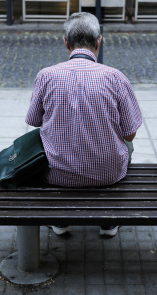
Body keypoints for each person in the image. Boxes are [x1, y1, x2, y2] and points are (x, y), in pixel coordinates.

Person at [25, 12, 142, 237]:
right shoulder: (115, 77)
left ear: (66, 43)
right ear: (99, 42)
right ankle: (108, 222)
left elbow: (35, 122)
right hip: (108, 174)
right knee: (128, 148)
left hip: (56, 174)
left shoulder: (46, 76)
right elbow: (130, 135)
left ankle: (60, 221)